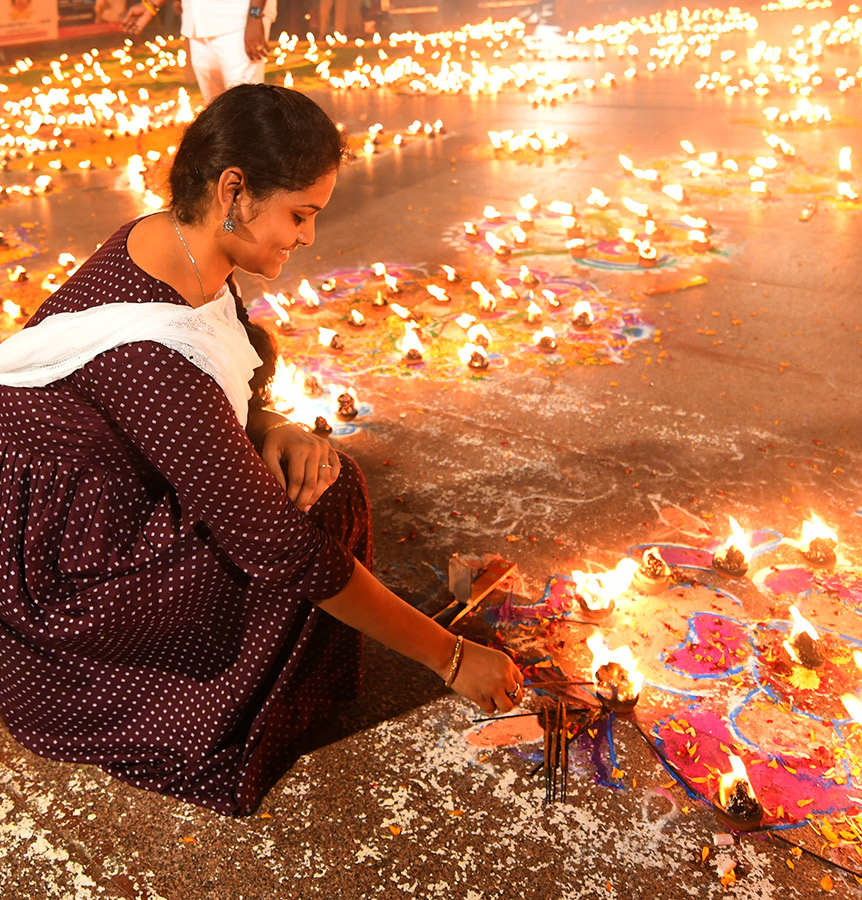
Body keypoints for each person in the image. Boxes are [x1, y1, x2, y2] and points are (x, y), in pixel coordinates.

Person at [0, 84, 522, 816]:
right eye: (300, 214)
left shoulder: (172, 241)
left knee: (315, 471)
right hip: (71, 574)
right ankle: (218, 703)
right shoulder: (153, 355)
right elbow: (278, 547)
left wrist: (270, 422)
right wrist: (451, 656)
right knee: (314, 517)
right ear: (234, 191)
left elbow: (227, 365)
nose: (308, 236)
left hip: (90, 499)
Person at [123, 0, 275, 102]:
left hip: (238, 21)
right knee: (214, 108)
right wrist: (151, 4)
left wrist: (255, 16)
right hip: (197, 23)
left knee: (245, 105)